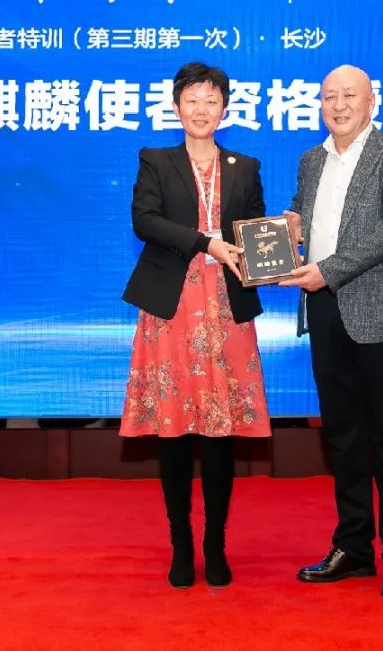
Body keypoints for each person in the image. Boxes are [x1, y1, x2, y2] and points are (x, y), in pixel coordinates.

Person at [121, 62, 271, 590]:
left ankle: (215, 543)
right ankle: (181, 544)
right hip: (173, 309)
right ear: (176, 106)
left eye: (211, 100)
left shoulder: (245, 167)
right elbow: (144, 221)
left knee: (221, 434)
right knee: (175, 432)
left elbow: (255, 232)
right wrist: (205, 243)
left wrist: (278, 244)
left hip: (226, 309)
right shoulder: (156, 160)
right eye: (192, 100)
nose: (202, 109)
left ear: (224, 108)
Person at [280, 64, 383, 599]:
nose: (338, 105)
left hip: (381, 312)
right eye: (329, 97)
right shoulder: (311, 160)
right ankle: (353, 546)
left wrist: (329, 270)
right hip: (323, 311)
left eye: (349, 96)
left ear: (371, 102)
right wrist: (291, 226)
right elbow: (306, 218)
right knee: (342, 436)